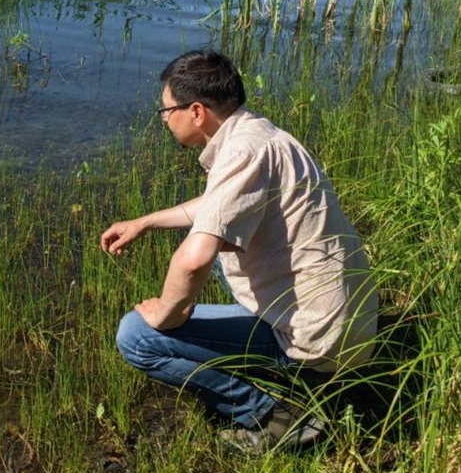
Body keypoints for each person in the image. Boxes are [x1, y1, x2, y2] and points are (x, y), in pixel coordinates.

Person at [101, 50, 377, 452]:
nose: (164, 119)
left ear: (196, 112)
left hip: (315, 347)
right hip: (349, 331)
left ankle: (273, 416)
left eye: (166, 110)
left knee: (137, 336)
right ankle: (274, 377)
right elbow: (218, 205)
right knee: (223, 258)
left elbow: (193, 260)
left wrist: (166, 312)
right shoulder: (259, 135)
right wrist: (144, 222)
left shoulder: (243, 151)